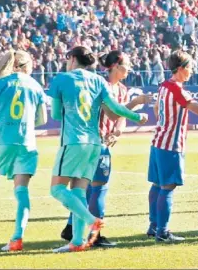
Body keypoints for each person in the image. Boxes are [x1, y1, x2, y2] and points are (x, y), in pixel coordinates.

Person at [48, 46, 148, 253]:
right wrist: (138, 117)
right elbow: (116, 109)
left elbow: (57, 115)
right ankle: (76, 241)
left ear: (73, 59)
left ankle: (91, 220)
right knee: (78, 191)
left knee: (56, 189)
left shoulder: (61, 79)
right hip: (95, 143)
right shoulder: (99, 81)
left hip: (73, 141)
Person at [0, 50, 47, 252]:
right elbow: (43, 120)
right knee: (22, 191)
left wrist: (3, 124)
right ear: (26, 65)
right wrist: (27, 125)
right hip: (26, 142)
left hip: (2, 141)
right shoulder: (35, 85)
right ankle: (17, 238)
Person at [147, 50, 198, 242]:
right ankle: (163, 231)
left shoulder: (164, 86)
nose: (192, 70)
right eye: (190, 67)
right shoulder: (177, 89)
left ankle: (154, 226)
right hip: (171, 145)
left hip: (158, 141)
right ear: (181, 68)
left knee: (157, 185)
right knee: (168, 186)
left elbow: (155, 109)